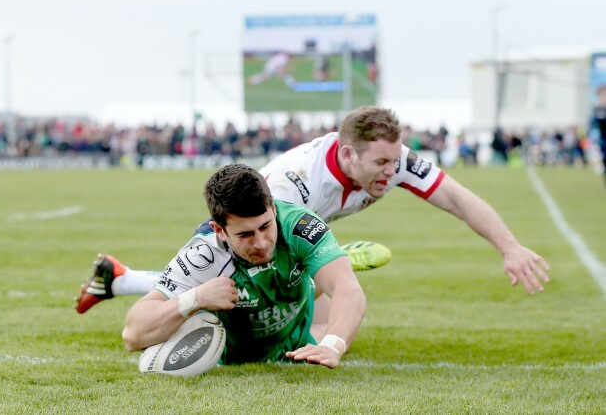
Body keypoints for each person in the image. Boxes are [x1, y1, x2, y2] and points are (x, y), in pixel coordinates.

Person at [76, 106, 550, 315]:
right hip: (249, 225)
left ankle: (115, 277)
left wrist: (509, 247)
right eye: (382, 163)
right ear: (347, 155)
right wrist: (334, 261)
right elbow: (267, 245)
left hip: (289, 229)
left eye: (396, 159)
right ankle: (118, 281)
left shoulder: (392, 159)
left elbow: (456, 197)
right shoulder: (297, 179)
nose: (393, 171)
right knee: (237, 294)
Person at [122, 164, 366, 368]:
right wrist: (194, 299)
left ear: (272, 208)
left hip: (298, 344)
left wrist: (333, 345)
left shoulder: (299, 225)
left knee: (328, 297)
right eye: (245, 234)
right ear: (220, 230)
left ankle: (326, 265)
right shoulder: (203, 254)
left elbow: (349, 290)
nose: (260, 243)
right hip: (230, 360)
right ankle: (325, 266)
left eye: (265, 226)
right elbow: (132, 336)